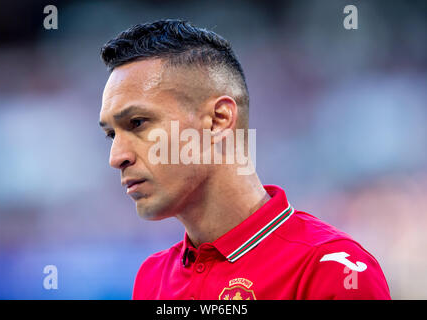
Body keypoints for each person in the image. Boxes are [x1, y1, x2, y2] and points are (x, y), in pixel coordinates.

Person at [98, 19, 390, 300]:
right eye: (112, 134)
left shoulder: (332, 270)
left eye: (137, 123)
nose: (116, 157)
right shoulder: (152, 277)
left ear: (218, 119)